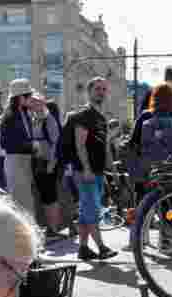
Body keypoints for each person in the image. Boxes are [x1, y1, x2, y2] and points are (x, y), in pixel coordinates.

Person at [63, 77, 117, 261]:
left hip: (98, 171)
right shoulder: (84, 116)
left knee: (87, 212)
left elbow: (104, 146)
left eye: (103, 89)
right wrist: (86, 168)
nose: (101, 92)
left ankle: (84, 248)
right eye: (97, 89)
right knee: (92, 210)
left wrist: (113, 171)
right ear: (89, 91)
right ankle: (101, 247)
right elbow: (80, 145)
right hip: (85, 171)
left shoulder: (102, 118)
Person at [128, 82, 172, 200]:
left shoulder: (144, 116)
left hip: (146, 171)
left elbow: (134, 143)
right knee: (169, 204)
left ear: (153, 98)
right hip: (169, 171)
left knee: (143, 204)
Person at [0, 79, 43, 219]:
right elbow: (6, 144)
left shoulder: (24, 114)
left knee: (27, 200)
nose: (31, 98)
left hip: (25, 160)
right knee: (21, 202)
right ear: (20, 98)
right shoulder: (9, 117)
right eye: (28, 95)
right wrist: (31, 145)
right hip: (15, 160)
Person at [33, 96, 64, 237]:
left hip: (48, 162)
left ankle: (53, 228)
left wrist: (52, 163)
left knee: (50, 196)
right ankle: (51, 227)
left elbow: (56, 143)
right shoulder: (38, 120)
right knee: (46, 196)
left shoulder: (49, 121)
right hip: (40, 162)